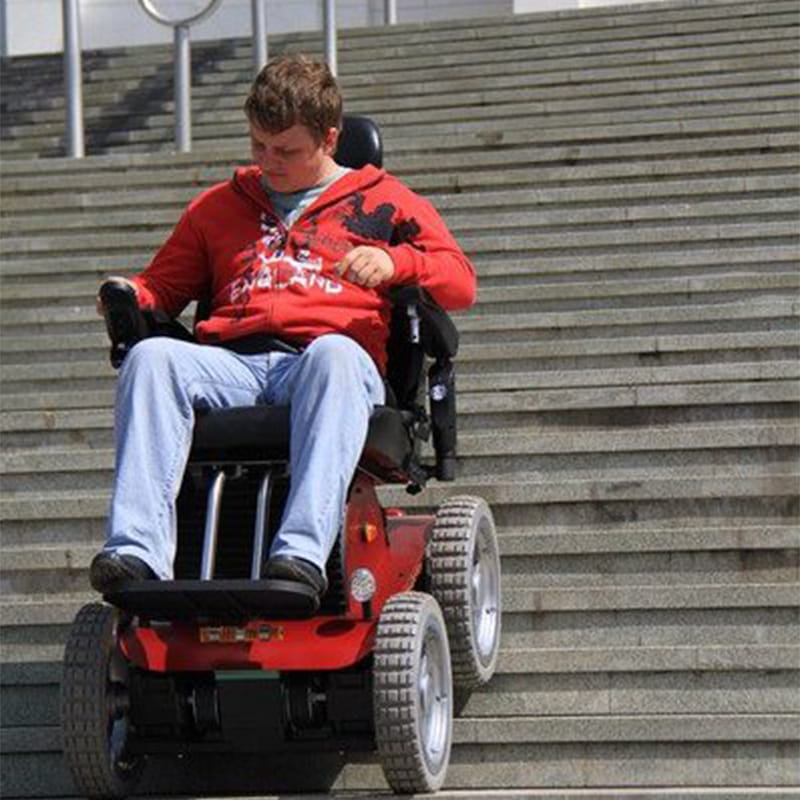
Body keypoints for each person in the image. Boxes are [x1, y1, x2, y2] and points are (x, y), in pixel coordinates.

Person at [89, 53, 476, 600]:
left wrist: (396, 264)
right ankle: (136, 550)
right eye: (258, 146)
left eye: (286, 150)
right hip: (234, 363)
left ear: (330, 138)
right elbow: (164, 286)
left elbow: (460, 282)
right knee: (151, 359)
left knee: (334, 357)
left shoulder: (386, 202)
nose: (268, 162)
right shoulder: (218, 207)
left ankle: (299, 554)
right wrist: (131, 294)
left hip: (328, 361)